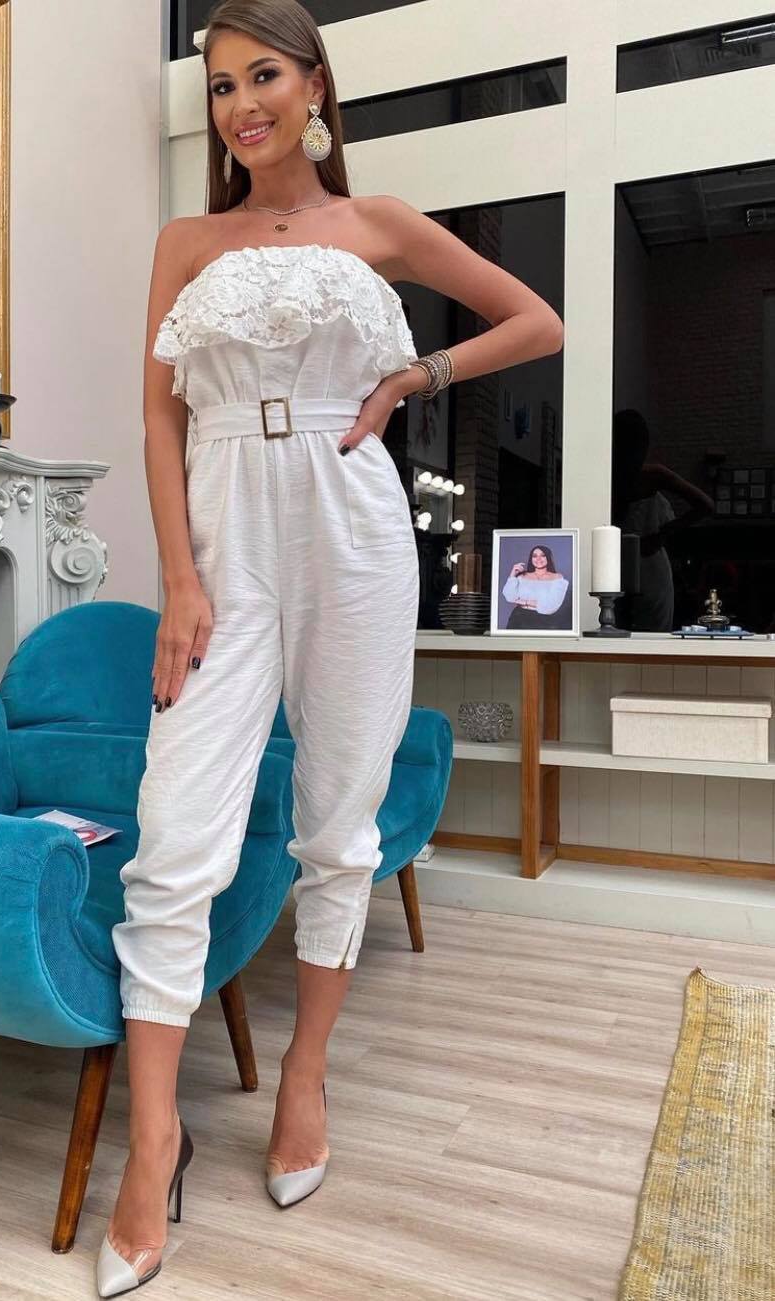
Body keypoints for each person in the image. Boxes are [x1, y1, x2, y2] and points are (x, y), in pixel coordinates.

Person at [97, 2, 565, 1294]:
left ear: (315, 87)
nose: (241, 104)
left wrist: (415, 378)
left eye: (263, 76)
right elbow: (157, 418)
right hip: (222, 535)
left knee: (339, 816)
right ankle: (153, 1139)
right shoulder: (185, 241)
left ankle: (305, 1073)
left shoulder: (382, 223)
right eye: (219, 85)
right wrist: (179, 580)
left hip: (351, 524)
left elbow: (536, 322)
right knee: (173, 832)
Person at [610, 408, 714, 631]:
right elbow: (705, 505)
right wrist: (661, 535)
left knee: (627, 624)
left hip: (638, 561)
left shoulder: (647, 476)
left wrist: (662, 535)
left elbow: (706, 505)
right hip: (626, 562)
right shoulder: (643, 476)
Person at [501, 544, 570, 630]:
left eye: (543, 555)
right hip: (518, 618)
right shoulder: (522, 576)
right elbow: (510, 597)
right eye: (534, 556)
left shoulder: (557, 578)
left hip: (545, 621)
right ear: (531, 559)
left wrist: (524, 602)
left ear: (548, 558)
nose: (538, 559)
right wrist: (512, 574)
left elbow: (552, 605)